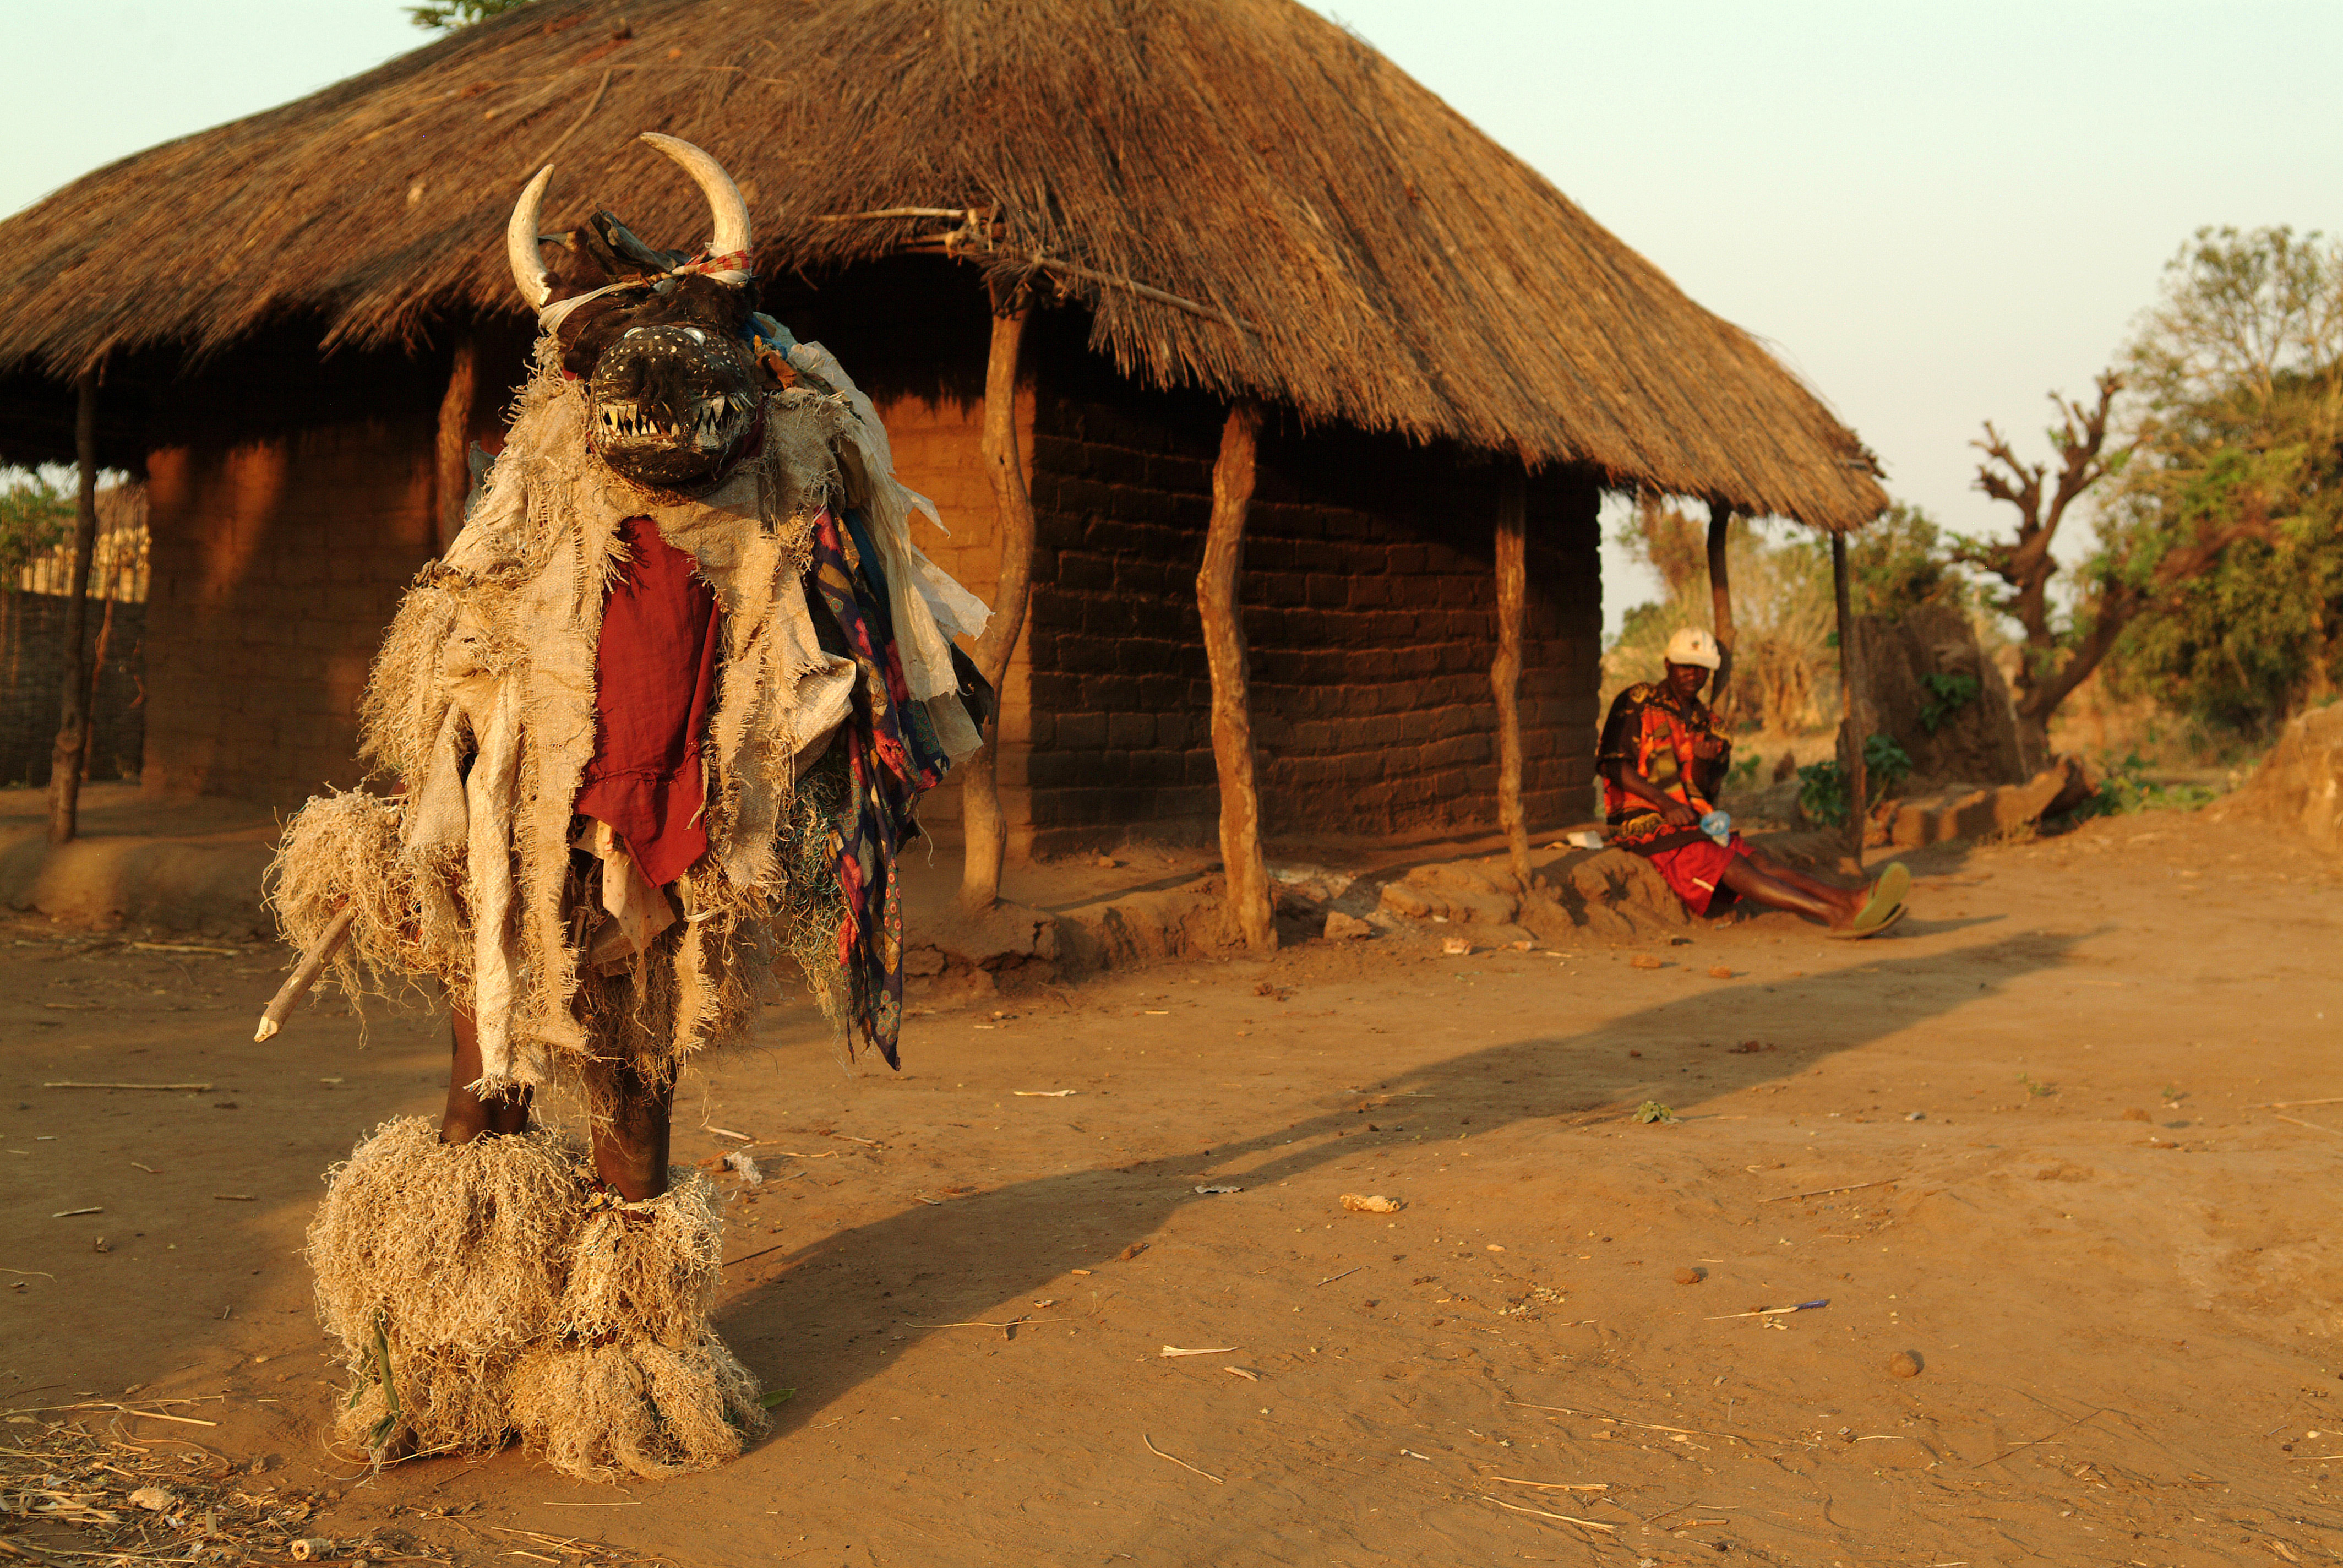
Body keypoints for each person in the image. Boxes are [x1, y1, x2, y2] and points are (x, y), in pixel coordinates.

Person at [1596, 628, 1907, 935]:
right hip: (1646, 823)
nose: (1693, 674)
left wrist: (1703, 763)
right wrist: (1665, 803)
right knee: (1730, 864)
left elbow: (1704, 792)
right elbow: (1612, 765)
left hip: (1694, 822)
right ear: (1668, 664)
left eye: (1701, 668)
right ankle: (1834, 914)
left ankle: (1850, 898)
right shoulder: (1638, 700)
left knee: (1762, 861)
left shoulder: (1711, 727)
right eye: (1685, 666)